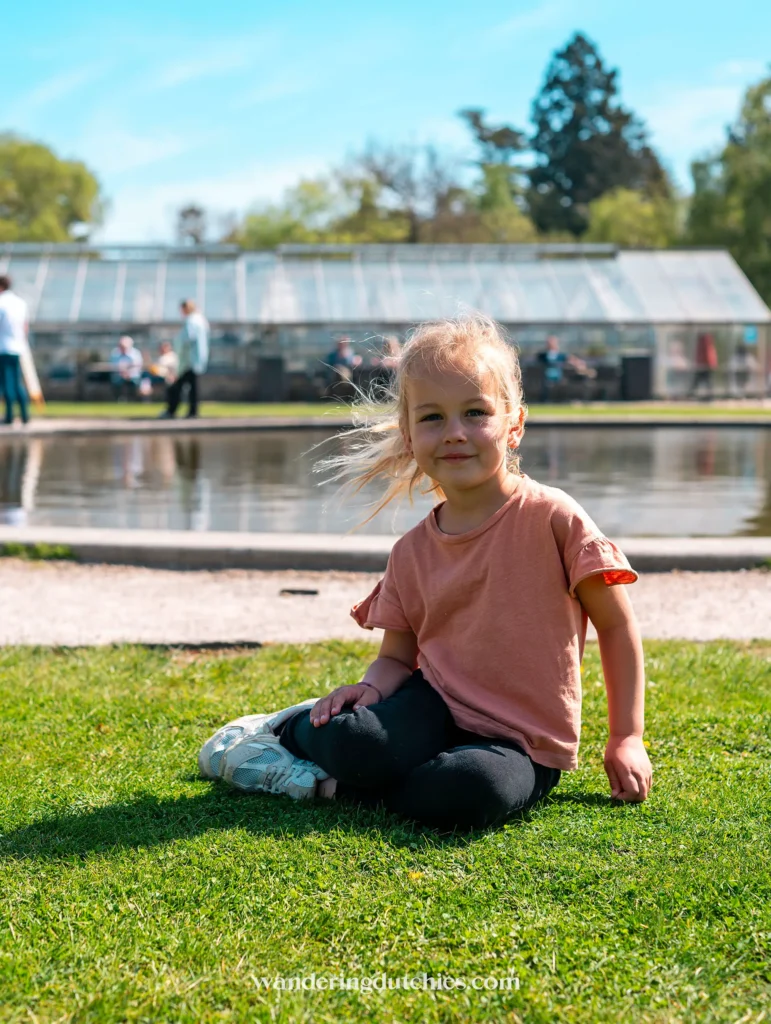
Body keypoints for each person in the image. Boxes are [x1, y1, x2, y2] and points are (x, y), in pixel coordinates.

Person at [198, 315, 652, 831]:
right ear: (410, 437)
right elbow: (397, 656)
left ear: (514, 424)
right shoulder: (412, 550)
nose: (454, 433)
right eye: (432, 417)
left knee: (470, 791)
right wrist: (369, 690)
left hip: (521, 741)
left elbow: (616, 626)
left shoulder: (554, 518)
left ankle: (328, 787)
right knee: (360, 743)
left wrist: (626, 738)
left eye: (475, 412)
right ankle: (285, 731)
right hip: (430, 706)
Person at [161, 300, 209, 418]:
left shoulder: (192, 321)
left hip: (188, 361)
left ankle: (173, 410)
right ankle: (190, 411)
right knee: (191, 388)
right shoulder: (201, 320)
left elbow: (187, 339)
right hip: (194, 360)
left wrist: (179, 351)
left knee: (178, 386)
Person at [0, 275, 30, 426]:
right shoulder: (20, 303)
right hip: (17, 347)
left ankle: (9, 416)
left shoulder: (1, 303)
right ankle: (25, 415)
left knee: (7, 383)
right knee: (16, 382)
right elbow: (25, 327)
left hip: (3, 347)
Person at [109, 336, 143, 400]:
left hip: (133, 376)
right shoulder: (115, 353)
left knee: (135, 382)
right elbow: (113, 366)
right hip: (119, 375)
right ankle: (118, 399)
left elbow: (138, 366)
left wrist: (128, 373)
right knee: (116, 382)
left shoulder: (135, 353)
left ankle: (134, 399)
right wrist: (122, 373)